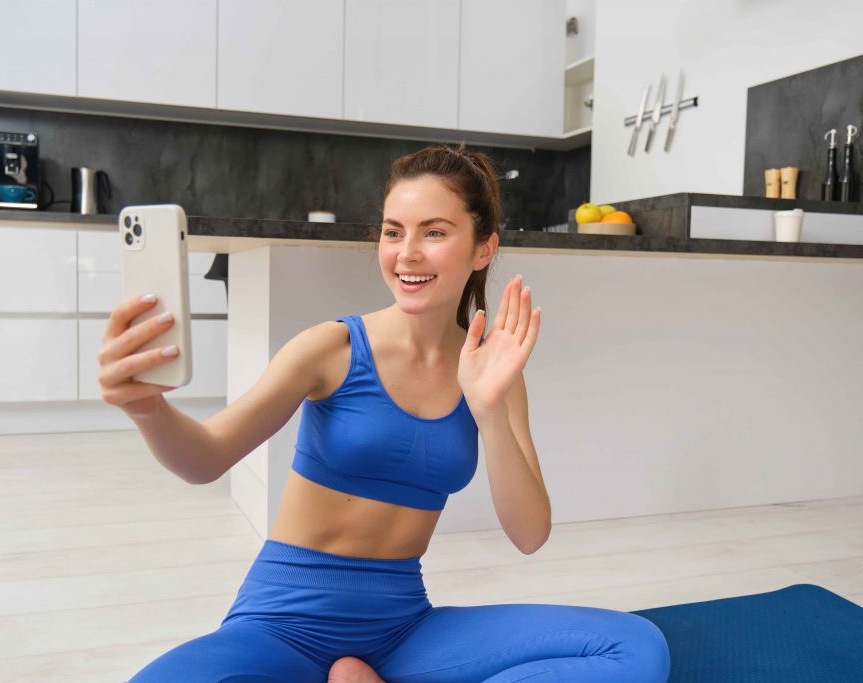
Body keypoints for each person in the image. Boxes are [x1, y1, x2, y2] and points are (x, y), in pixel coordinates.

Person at [99, 144, 671, 682]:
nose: (407, 253)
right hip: (281, 624)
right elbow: (206, 458)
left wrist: (489, 408)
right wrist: (148, 408)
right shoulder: (332, 349)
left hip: (402, 629)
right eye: (394, 232)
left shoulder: (492, 373)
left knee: (635, 648)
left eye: (435, 232)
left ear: (483, 249)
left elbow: (529, 535)